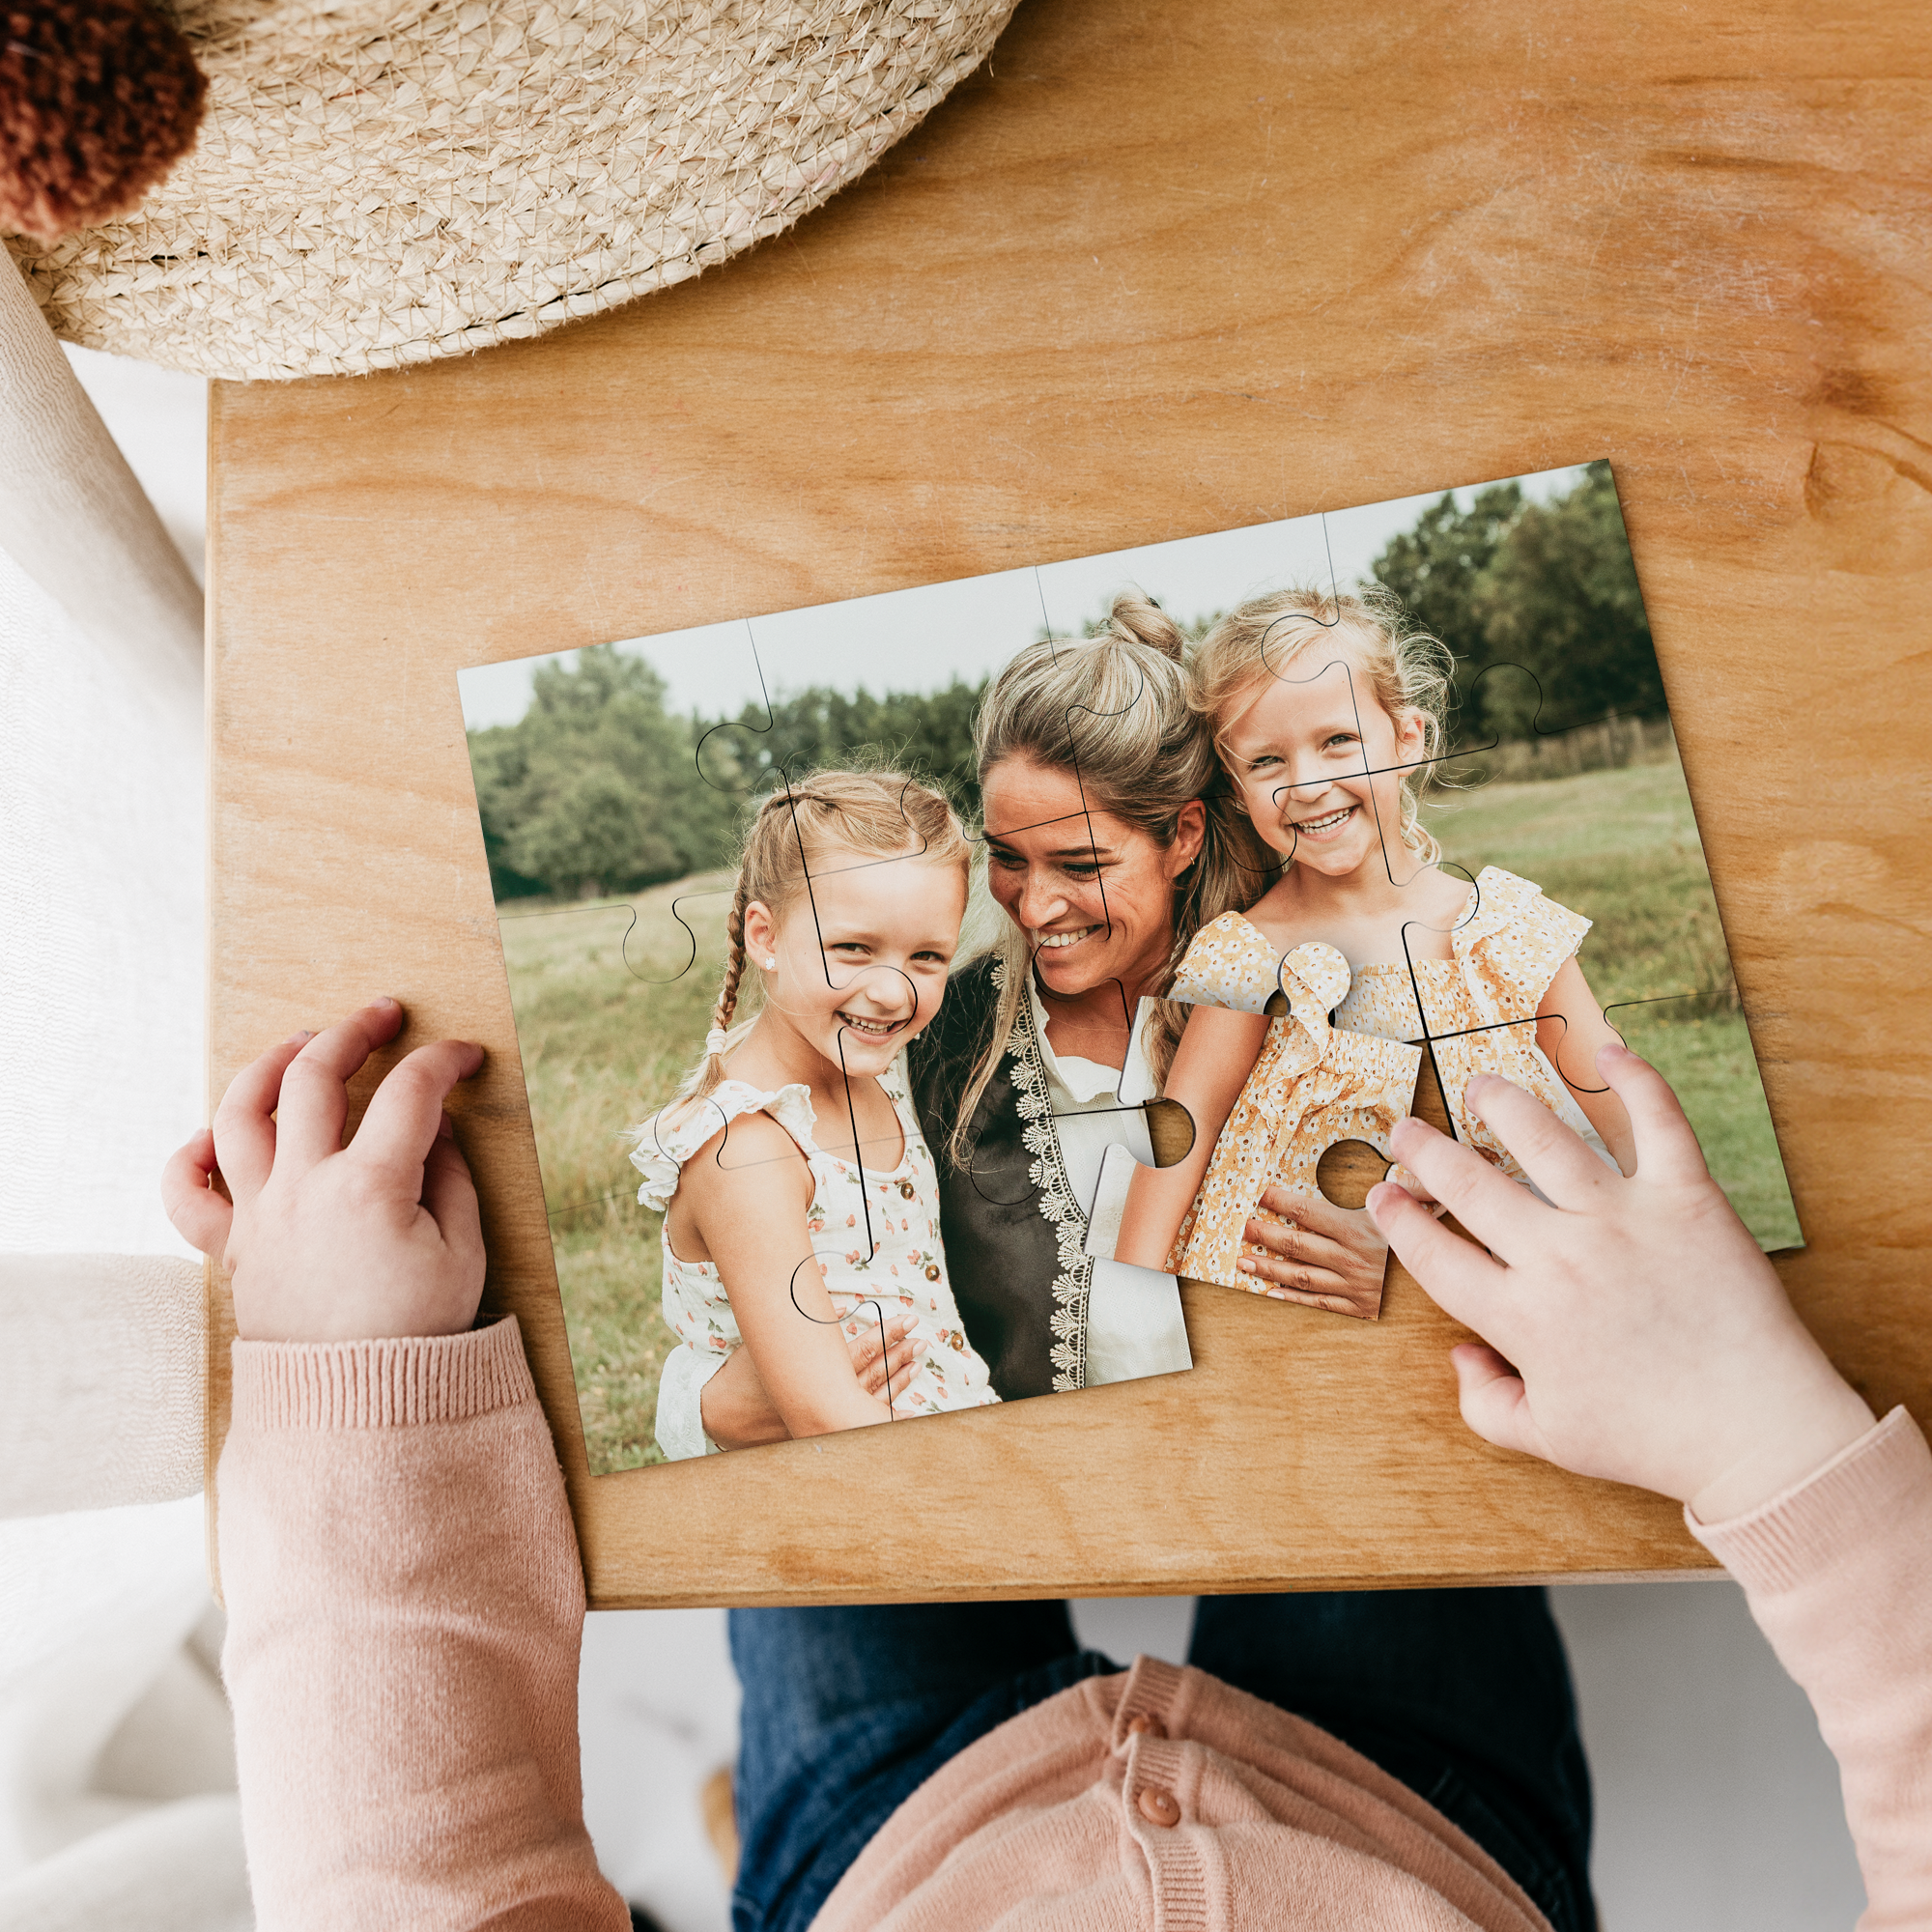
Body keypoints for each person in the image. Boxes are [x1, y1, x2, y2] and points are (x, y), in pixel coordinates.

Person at [165, 999, 1931, 1931]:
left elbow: (417, 1889)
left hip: (890, 1836)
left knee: (828, 1396)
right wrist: (1747, 1425)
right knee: (1392, 1359)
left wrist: (351, 1371)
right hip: (1422, 1821)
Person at [693, 592, 1394, 1454]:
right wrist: (707, 1410)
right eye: (1007, 859)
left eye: (1081, 863)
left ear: (1181, 835)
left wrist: (1401, 1283)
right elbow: (768, 1313)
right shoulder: (922, 1043)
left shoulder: (1314, 999)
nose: (1035, 904)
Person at [1114, 585, 1634, 1295]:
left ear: (1408, 737)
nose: (1307, 784)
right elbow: (1179, 1148)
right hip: (1281, 1304)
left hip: (1503, 1292)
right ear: (1235, 788)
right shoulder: (1248, 954)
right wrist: (1132, 1311)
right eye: (1267, 762)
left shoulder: (1507, 933)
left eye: (1338, 742)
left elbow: (1632, 1136)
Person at [629, 770, 998, 1450]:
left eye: (926, 957)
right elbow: (829, 1422)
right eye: (852, 948)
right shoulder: (746, 1150)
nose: (891, 991)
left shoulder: (881, 1077)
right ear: (765, 938)